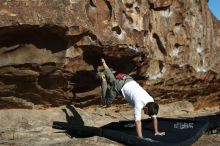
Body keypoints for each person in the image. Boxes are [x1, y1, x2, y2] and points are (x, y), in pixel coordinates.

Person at [99, 58, 165, 138]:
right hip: (120, 84)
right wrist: (140, 138)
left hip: (127, 78)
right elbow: (138, 122)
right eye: (146, 112)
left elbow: (154, 117)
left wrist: (156, 131)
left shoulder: (151, 100)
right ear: (146, 107)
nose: (145, 114)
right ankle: (103, 79)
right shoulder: (139, 104)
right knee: (106, 101)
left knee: (113, 81)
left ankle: (105, 65)